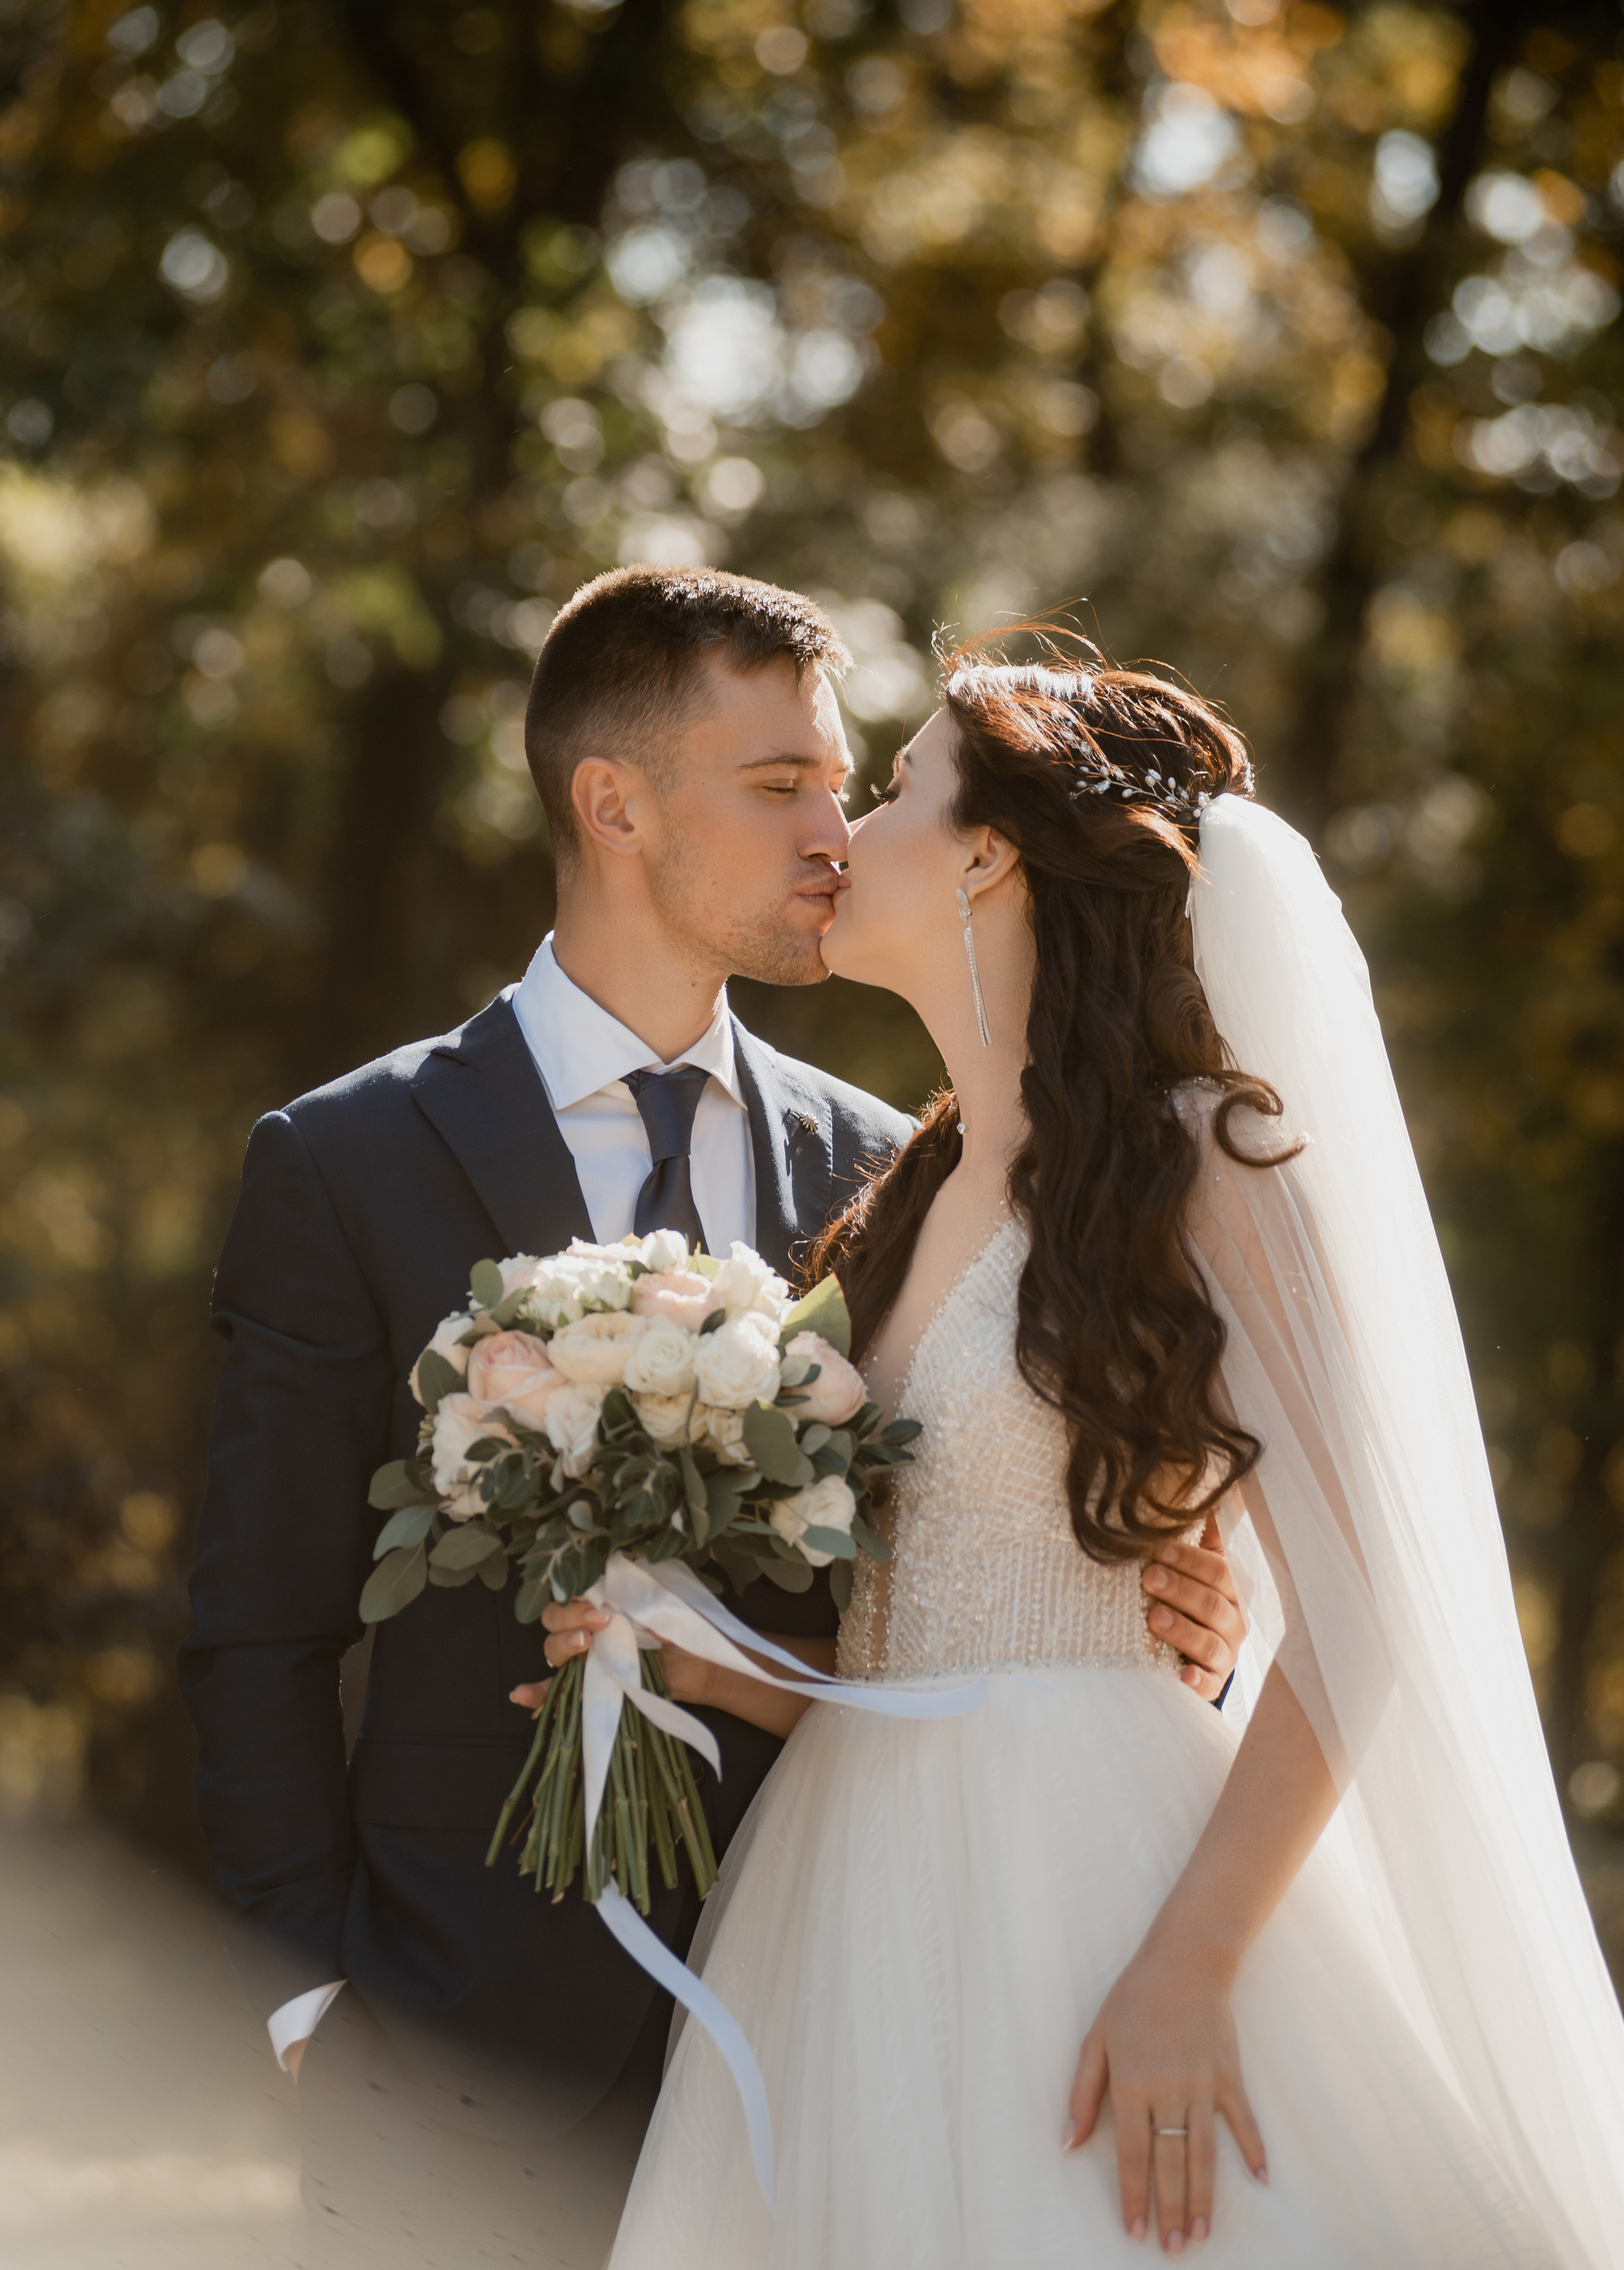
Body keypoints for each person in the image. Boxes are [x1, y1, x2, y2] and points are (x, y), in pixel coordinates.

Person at [178, 572, 1244, 2269]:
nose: (834, 826)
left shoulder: (897, 1164)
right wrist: (309, 1990)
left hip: (858, 2007)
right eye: (782, 785)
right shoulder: (347, 1160)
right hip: (458, 2044)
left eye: (847, 781)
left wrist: (1173, 1607)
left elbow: (989, 1525)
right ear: (613, 802)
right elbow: (256, 1618)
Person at [599, 646, 1624, 2269]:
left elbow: (1361, 1618)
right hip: (843, 1896)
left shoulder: (1207, 1158)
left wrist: (1187, 1966)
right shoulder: (910, 1181)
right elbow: (924, 1625)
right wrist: (714, 1665)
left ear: (992, 850)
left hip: (1100, 1888)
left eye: (892, 790)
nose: (848, 831)